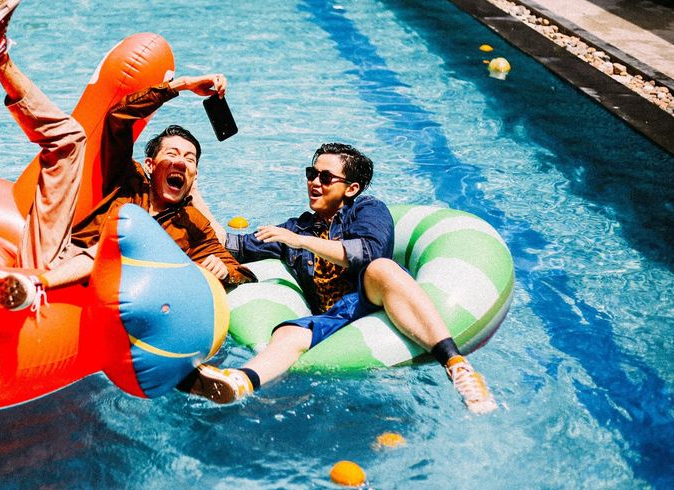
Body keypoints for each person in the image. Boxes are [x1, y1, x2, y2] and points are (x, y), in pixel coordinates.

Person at [0, 0, 253, 313]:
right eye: (172, 153)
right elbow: (120, 117)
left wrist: (224, 273)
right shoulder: (127, 180)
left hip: (95, 287)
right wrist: (180, 86)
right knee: (70, 140)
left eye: (189, 158)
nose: (181, 162)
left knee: (123, 238)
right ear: (151, 164)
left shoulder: (193, 224)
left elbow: (242, 273)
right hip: (53, 253)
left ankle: (33, 285)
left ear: (195, 173)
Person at [182, 143, 498, 414]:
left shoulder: (367, 210)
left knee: (382, 269)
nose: (314, 182)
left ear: (351, 188)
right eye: (311, 174)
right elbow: (228, 244)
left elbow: (368, 254)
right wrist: (193, 191)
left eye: (325, 177)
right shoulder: (297, 227)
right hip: (336, 316)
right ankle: (240, 382)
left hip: (371, 298)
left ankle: (457, 367)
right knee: (288, 334)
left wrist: (300, 242)